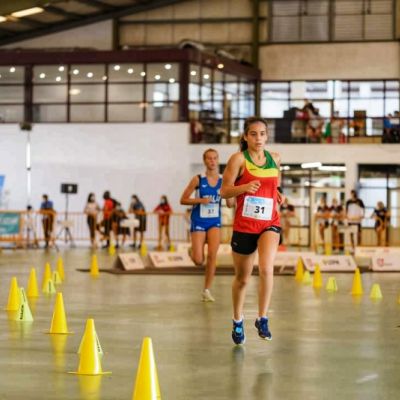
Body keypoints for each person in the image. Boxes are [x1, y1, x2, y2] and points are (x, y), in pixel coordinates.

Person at [221, 116, 284, 345]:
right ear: (246, 137)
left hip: (269, 222)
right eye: (254, 134)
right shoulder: (238, 159)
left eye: (262, 134)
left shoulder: (275, 158)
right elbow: (224, 191)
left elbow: (275, 184)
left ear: (267, 136)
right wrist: (245, 187)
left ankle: (262, 318)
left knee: (266, 268)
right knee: (242, 279)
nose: (259, 138)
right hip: (245, 225)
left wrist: (278, 194)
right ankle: (237, 320)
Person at [180, 148, 234, 302]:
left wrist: (231, 193)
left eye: (215, 158)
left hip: (214, 221)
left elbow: (230, 203)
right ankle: (193, 251)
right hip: (199, 221)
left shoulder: (223, 180)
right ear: (204, 161)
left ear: (218, 160)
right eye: (209, 158)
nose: (212, 161)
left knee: (212, 256)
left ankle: (207, 290)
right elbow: (183, 199)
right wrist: (200, 200)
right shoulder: (198, 180)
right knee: (198, 260)